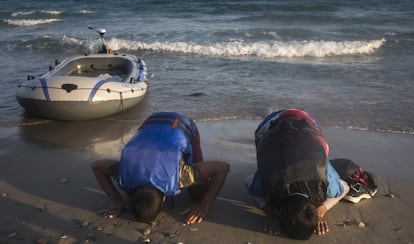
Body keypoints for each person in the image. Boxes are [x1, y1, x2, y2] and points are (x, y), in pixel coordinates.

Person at [92, 112, 229, 225]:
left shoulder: (181, 176)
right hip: (152, 121)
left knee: (197, 193)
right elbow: (96, 166)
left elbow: (222, 168)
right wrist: (115, 198)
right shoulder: (122, 173)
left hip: (180, 123)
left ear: (164, 199)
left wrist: (203, 206)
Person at [245, 109, 350, 240]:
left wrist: (321, 210)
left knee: (321, 157)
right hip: (272, 124)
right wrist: (268, 209)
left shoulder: (323, 183)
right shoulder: (271, 184)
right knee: (264, 151)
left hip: (305, 123)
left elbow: (344, 187)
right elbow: (248, 181)